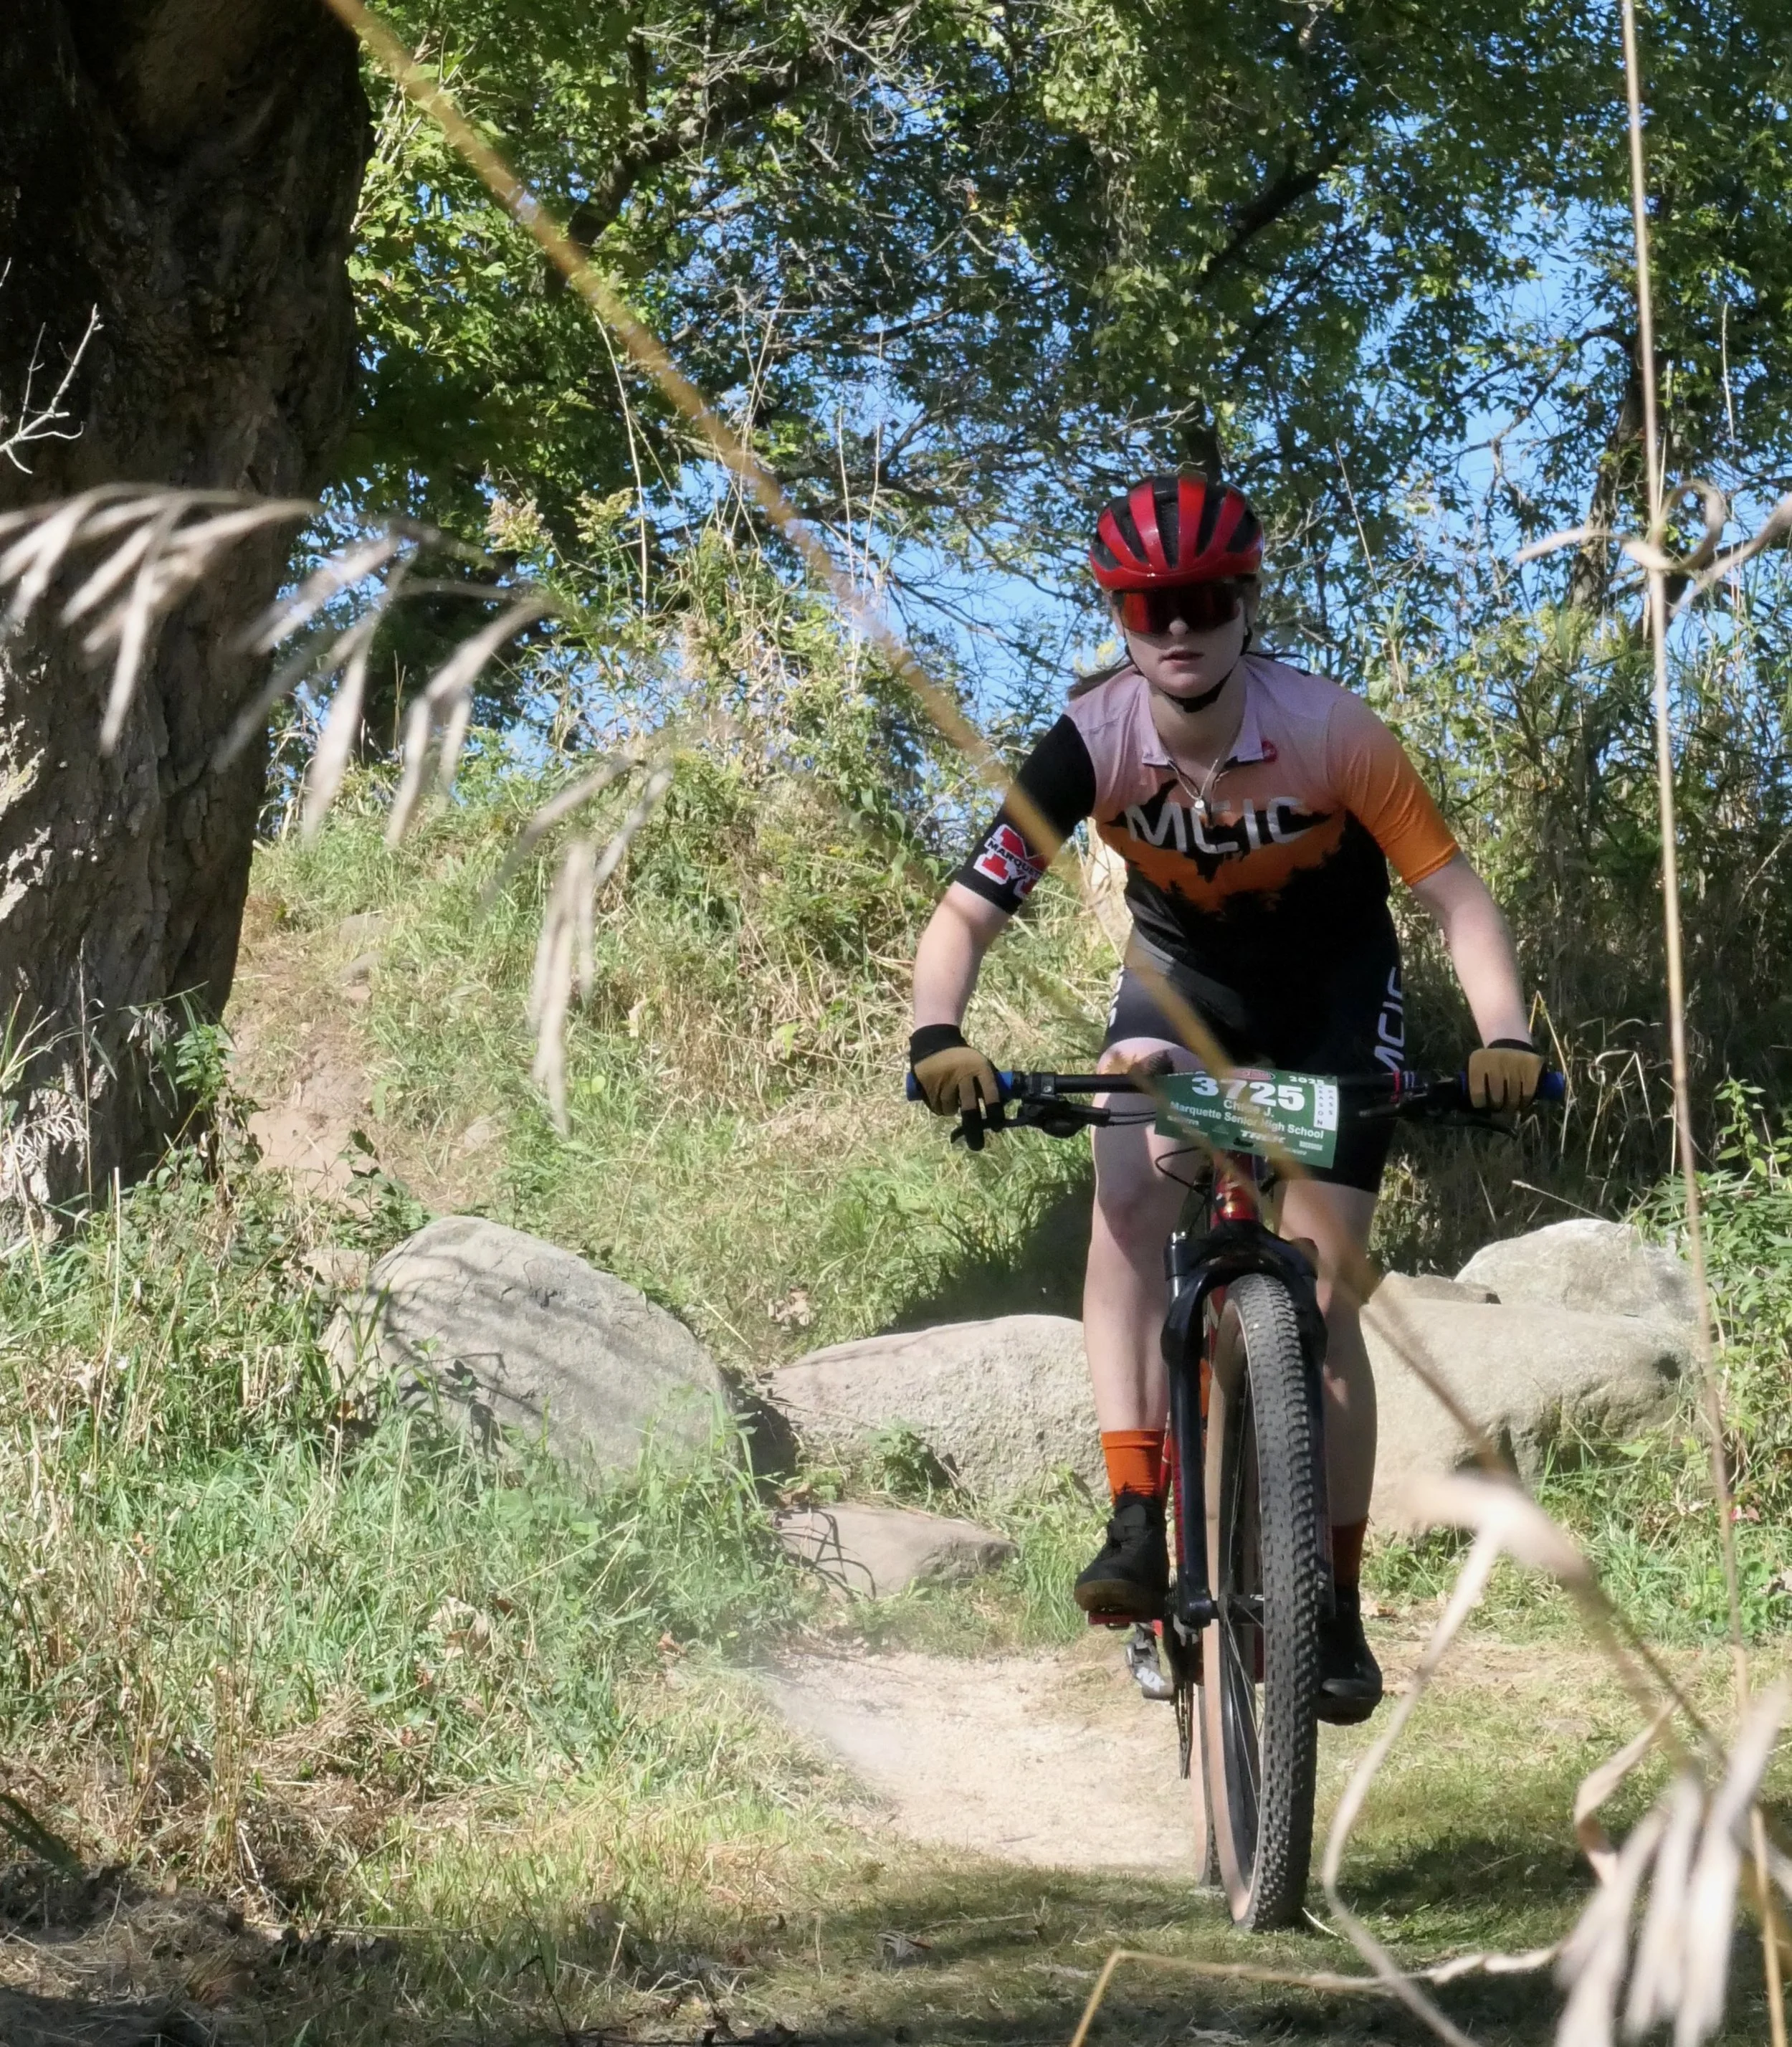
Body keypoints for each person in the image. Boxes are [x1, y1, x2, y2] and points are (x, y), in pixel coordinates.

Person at [908, 472, 1542, 1724]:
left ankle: (1339, 1601)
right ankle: (1138, 1511)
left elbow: (1458, 900)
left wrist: (1508, 1035)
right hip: (1182, 990)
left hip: (1330, 995)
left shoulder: (1334, 732)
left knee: (1325, 1286)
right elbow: (967, 911)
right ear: (1122, 617)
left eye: (1203, 600)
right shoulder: (1091, 742)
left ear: (1248, 602)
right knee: (1131, 1201)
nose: (1179, 627)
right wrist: (939, 1033)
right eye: (1150, 606)